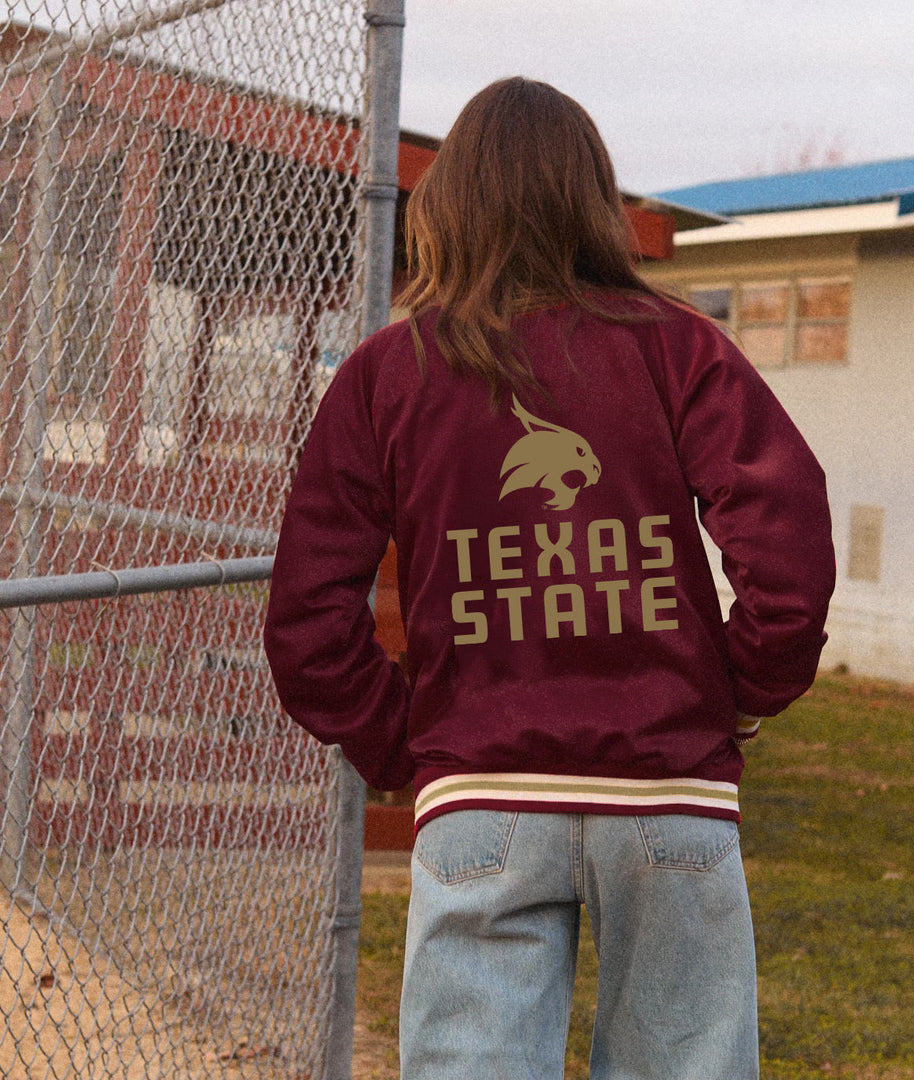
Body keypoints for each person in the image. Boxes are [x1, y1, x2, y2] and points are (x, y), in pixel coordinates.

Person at [263, 77, 835, 1080]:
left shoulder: (389, 374)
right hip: (671, 794)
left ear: (448, 208)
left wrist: (404, 740)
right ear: (594, 200)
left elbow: (309, 616)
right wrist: (737, 693)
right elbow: (787, 545)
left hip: (483, 795)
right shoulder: (682, 352)